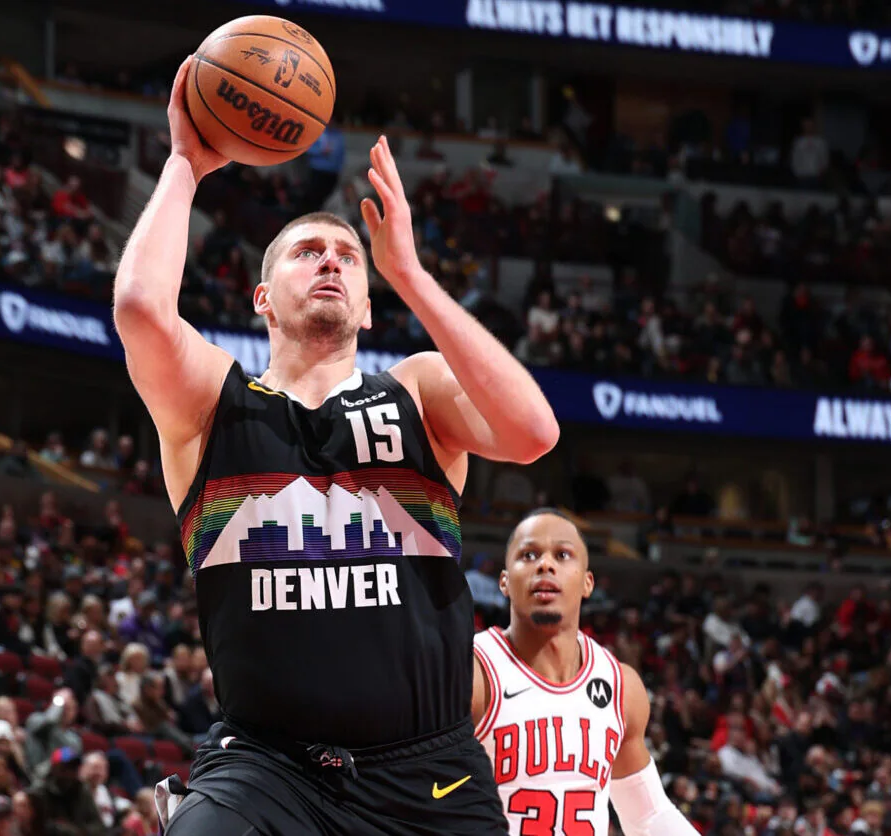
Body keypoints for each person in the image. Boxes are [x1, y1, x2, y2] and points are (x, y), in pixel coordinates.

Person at [117, 57, 556, 835]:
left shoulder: (417, 389)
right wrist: (186, 162)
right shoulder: (213, 403)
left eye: (348, 257)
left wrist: (412, 277)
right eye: (306, 251)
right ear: (262, 299)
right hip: (264, 770)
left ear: (368, 307)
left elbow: (532, 433)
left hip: (429, 774)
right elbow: (141, 311)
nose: (330, 260)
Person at [472, 509, 698, 836]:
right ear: (504, 582)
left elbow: (648, 816)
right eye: (529, 555)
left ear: (587, 582)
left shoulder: (620, 686)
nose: (545, 565)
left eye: (562, 555)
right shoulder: (471, 673)